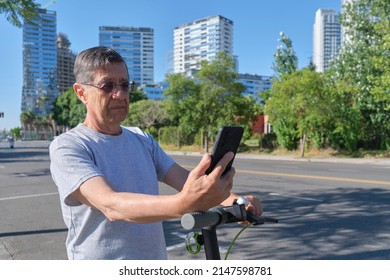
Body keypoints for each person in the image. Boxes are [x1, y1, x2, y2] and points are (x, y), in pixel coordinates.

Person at [49, 46, 262, 260]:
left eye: (124, 84)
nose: (120, 94)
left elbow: (184, 179)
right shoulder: (68, 146)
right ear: (81, 92)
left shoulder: (141, 138)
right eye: (107, 86)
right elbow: (111, 205)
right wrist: (184, 204)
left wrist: (237, 202)